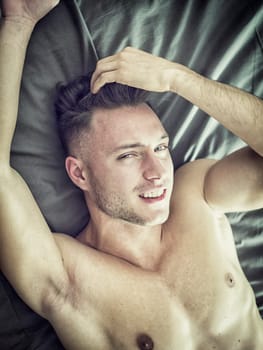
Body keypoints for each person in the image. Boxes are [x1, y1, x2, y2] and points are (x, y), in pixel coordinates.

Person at [0, 0, 262, 349]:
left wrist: (176, 78)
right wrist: (19, 23)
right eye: (129, 155)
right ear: (79, 173)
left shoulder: (197, 193)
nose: (157, 173)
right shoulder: (67, 276)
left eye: (161, 148)